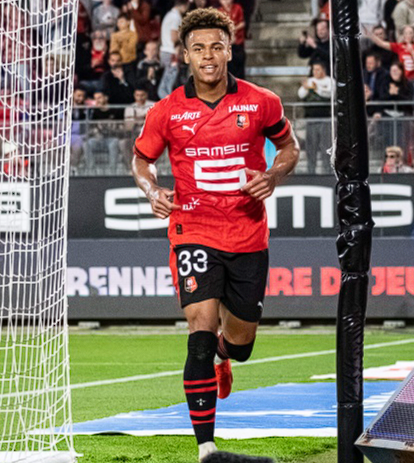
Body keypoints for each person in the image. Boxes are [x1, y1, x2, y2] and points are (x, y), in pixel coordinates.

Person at [132, 8, 299, 462]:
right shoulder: (167, 111)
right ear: (185, 55)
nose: (208, 56)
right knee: (200, 331)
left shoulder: (262, 102)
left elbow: (289, 146)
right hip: (193, 230)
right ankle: (207, 449)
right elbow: (142, 160)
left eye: (216, 46)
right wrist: (151, 190)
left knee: (240, 346)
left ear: (230, 50)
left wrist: (273, 176)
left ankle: (227, 355)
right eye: (199, 48)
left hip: (247, 234)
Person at [297, 61, 334, 173]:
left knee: (326, 146)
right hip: (311, 118)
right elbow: (301, 94)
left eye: (318, 69)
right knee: (311, 146)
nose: (315, 72)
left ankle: (327, 170)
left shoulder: (329, 81)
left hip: (325, 118)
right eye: (314, 69)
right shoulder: (310, 81)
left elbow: (329, 94)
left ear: (323, 70)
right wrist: (307, 88)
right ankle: (311, 170)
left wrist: (316, 88)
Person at [160, 0, 190, 67]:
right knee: (171, 74)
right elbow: (174, 37)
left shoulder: (170, 14)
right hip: (171, 54)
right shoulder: (176, 17)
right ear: (184, 5)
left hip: (165, 52)